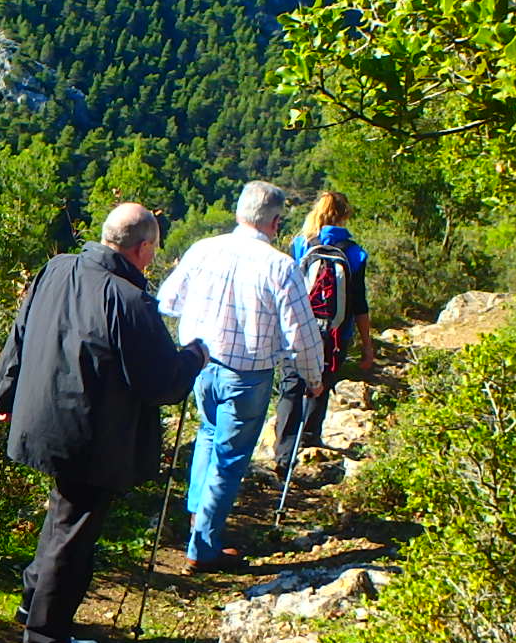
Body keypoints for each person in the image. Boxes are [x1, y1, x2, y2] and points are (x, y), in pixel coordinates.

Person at [0, 203, 207, 643]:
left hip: (41, 417)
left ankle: (34, 610)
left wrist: (3, 392)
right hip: (89, 436)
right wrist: (194, 357)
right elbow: (162, 384)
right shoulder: (127, 300)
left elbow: (20, 333)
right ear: (144, 248)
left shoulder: (58, 268)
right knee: (72, 539)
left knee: (62, 519)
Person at [157, 181, 324, 571]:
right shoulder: (280, 265)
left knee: (208, 435)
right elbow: (302, 333)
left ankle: (199, 520)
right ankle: (204, 548)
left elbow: (167, 300)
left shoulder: (204, 249)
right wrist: (312, 378)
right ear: (276, 221)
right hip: (247, 373)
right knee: (229, 458)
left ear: (238, 213)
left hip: (200, 364)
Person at [287, 191, 374, 450]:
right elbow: (359, 303)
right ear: (345, 215)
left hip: (299, 328)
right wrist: (367, 345)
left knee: (292, 383)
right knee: (323, 381)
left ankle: (286, 444)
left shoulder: (300, 244)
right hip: (336, 332)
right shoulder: (356, 254)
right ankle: (310, 438)